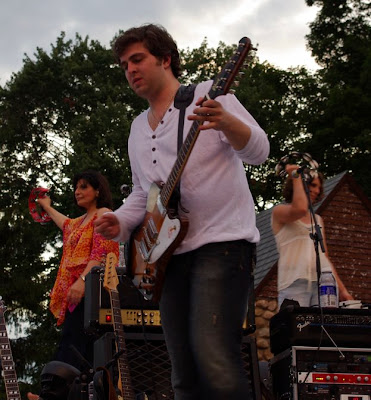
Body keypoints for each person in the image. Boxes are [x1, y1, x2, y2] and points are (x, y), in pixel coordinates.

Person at [95, 24, 269, 399]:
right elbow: (144, 193)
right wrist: (120, 221)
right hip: (167, 258)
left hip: (222, 245)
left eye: (137, 59)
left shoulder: (209, 95)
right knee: (182, 373)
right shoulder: (137, 128)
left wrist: (227, 122)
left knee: (215, 359)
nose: (130, 70)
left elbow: (258, 151)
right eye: (124, 65)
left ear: (165, 58)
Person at [27, 170, 119, 400]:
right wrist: (46, 206)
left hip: (93, 290)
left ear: (98, 191)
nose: (77, 192)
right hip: (79, 292)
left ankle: (50, 395)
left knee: (72, 344)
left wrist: (82, 282)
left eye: (84, 187)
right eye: (76, 188)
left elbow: (101, 253)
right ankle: (63, 394)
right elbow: (65, 224)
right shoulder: (80, 222)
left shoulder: (103, 213)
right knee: (79, 348)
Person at [272, 164, 353, 308]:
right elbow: (300, 208)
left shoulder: (318, 220)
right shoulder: (279, 212)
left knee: (323, 328)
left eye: (319, 188)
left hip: (324, 282)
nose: (317, 190)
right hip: (294, 282)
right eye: (313, 185)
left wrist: (342, 290)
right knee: (295, 328)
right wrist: (296, 176)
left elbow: (324, 257)